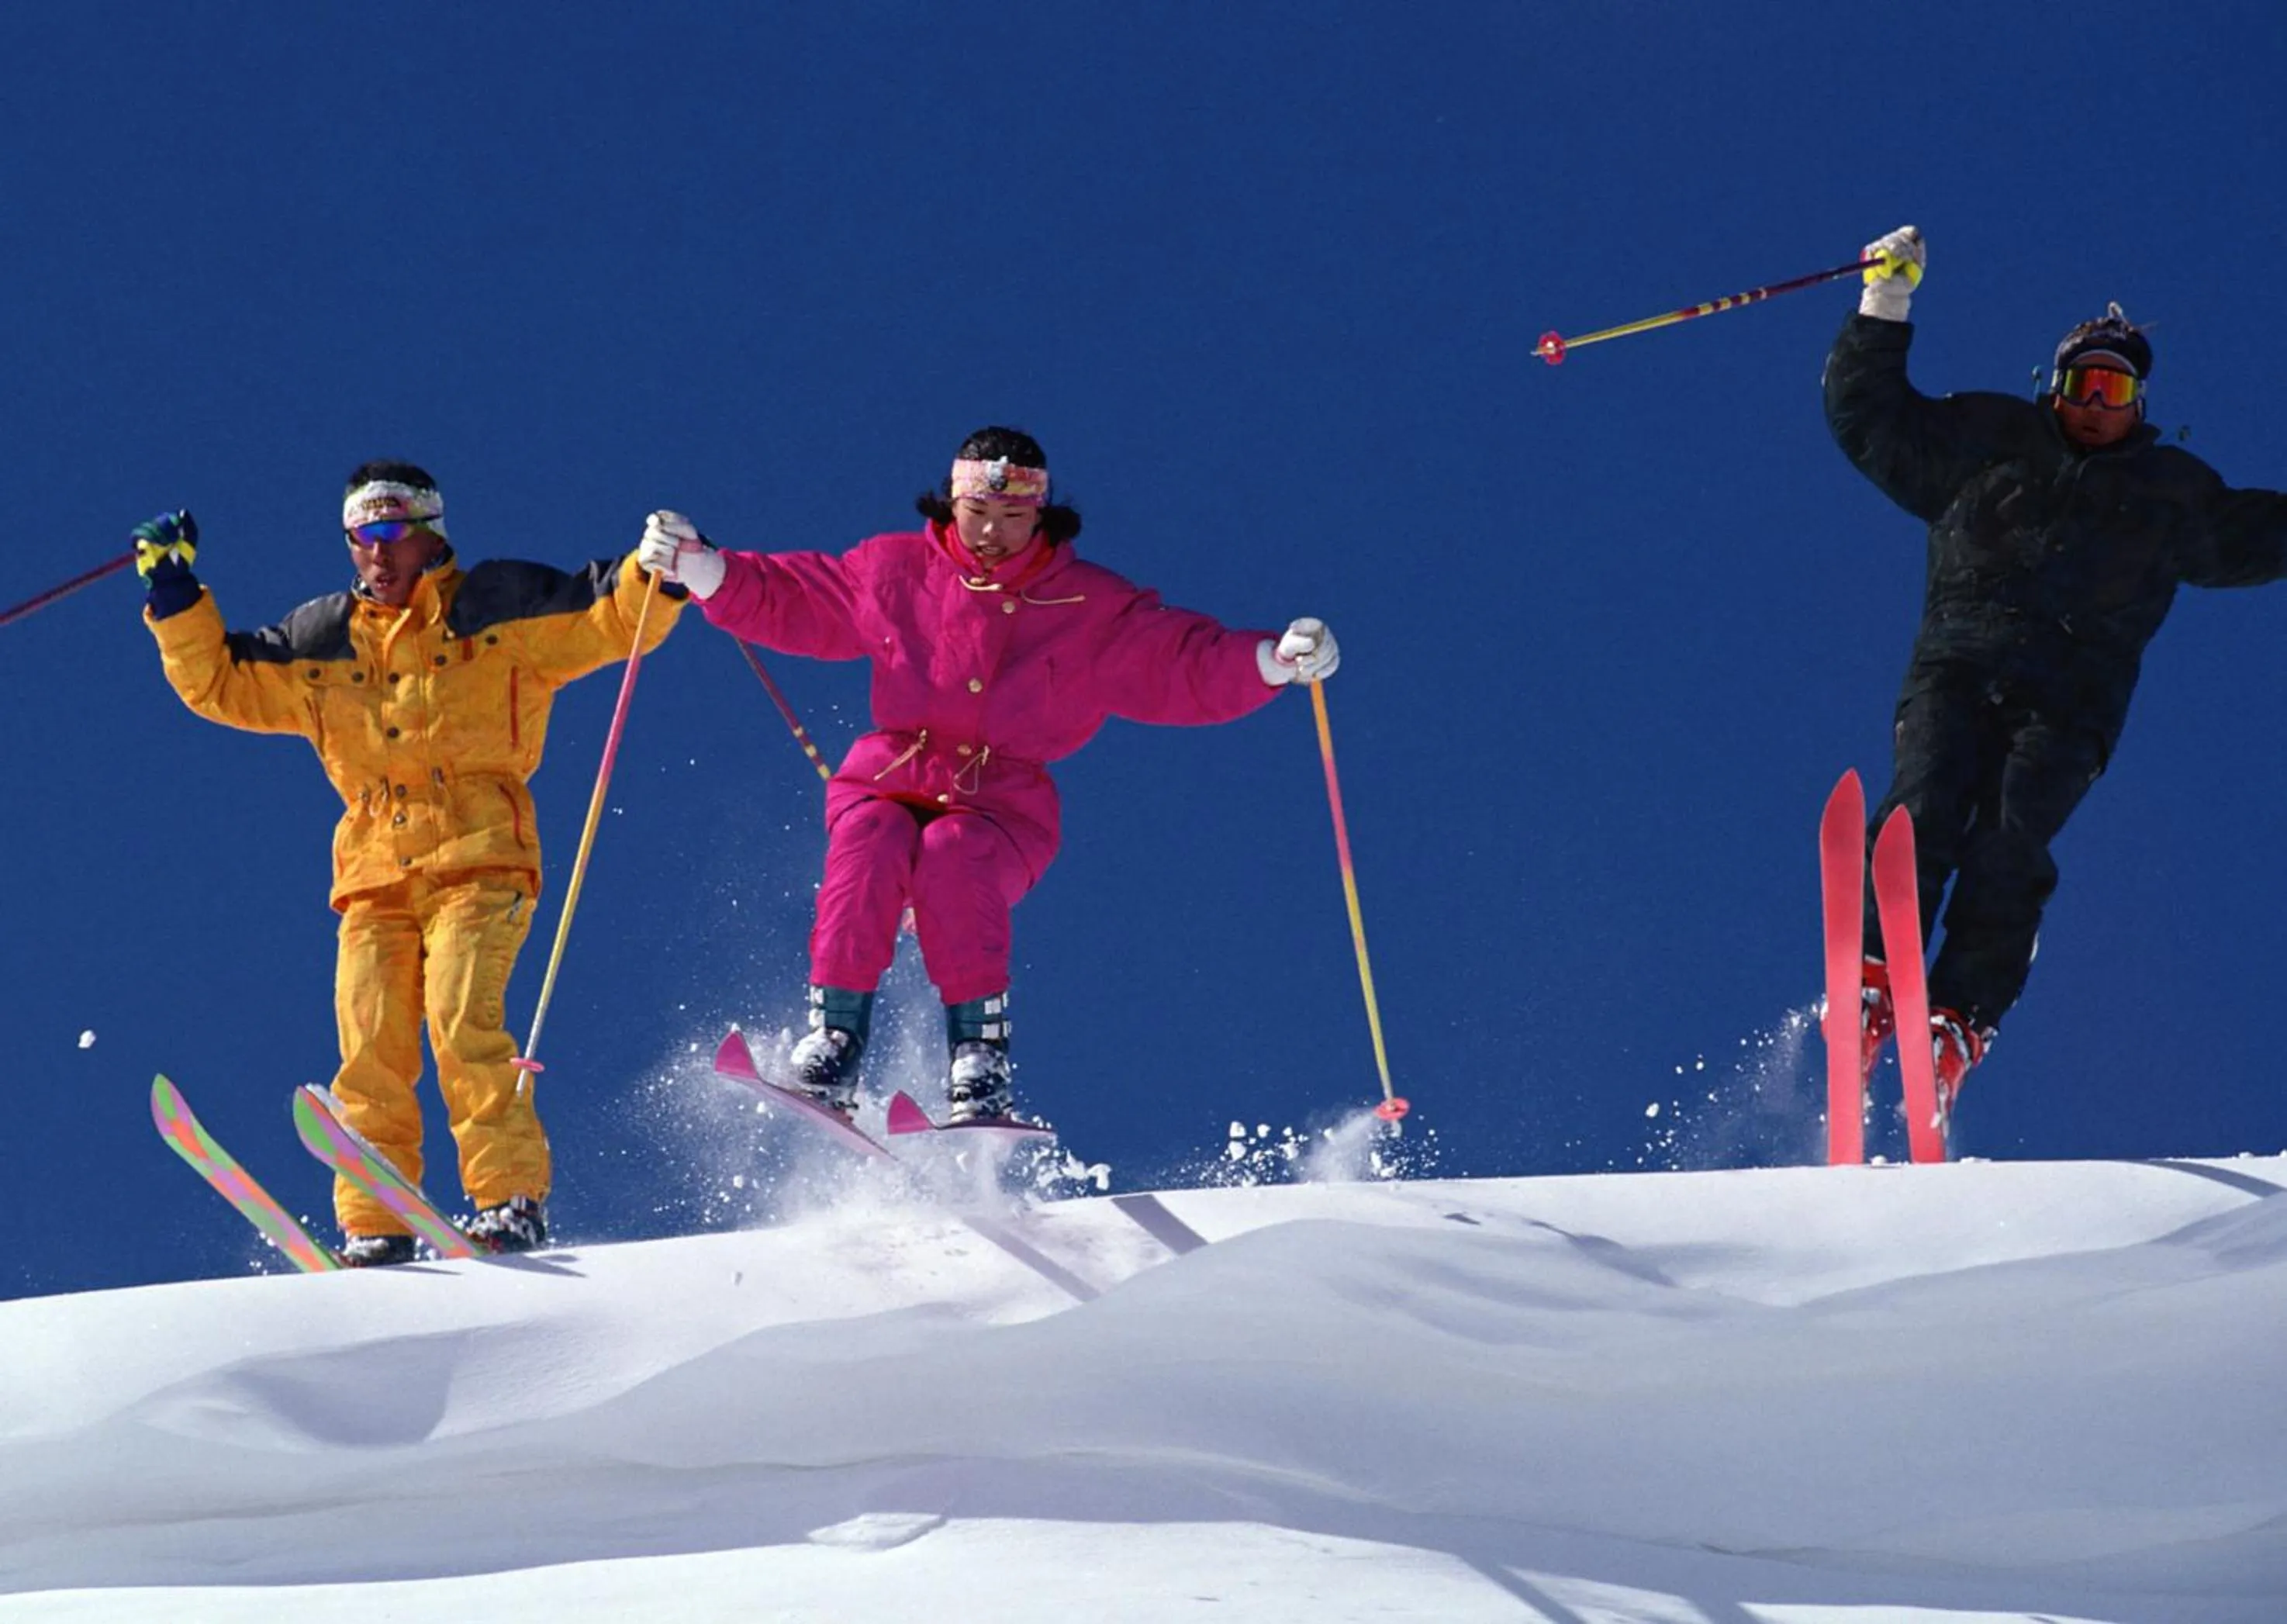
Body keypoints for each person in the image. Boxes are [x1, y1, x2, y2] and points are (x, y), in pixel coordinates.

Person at [636, 426, 1339, 1125]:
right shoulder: (895, 570)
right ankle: (834, 1036)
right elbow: (798, 596)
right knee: (872, 837)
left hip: (1001, 804)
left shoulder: (1086, 606)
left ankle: (977, 1053)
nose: (993, 533)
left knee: (953, 854)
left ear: (1041, 516)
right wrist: (699, 566)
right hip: (890, 775)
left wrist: (1272, 660)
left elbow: (1175, 662)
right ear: (949, 506)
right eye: (977, 515)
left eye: (1013, 518)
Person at [136, 461, 683, 1263]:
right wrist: (176, 593)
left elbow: (604, 618)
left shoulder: (494, 605)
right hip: (374, 875)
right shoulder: (321, 639)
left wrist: (655, 569)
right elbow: (219, 681)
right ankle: (375, 1221)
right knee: (372, 1045)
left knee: (462, 1023)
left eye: (392, 533)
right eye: (362, 537)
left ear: (431, 532)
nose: (378, 554)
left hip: (481, 858)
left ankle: (507, 1200)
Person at [1826, 225, 2287, 1124]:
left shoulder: (2170, 495)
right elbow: (1870, 420)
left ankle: (1956, 1018)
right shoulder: (1985, 442)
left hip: (2070, 700)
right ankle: (1880, 970)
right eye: (2083, 383)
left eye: (2114, 388)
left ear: (2139, 402)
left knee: (2011, 838)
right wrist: (1884, 303)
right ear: (2055, 386)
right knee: (1926, 802)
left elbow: (2266, 536)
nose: (2096, 404)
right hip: (1962, 659)